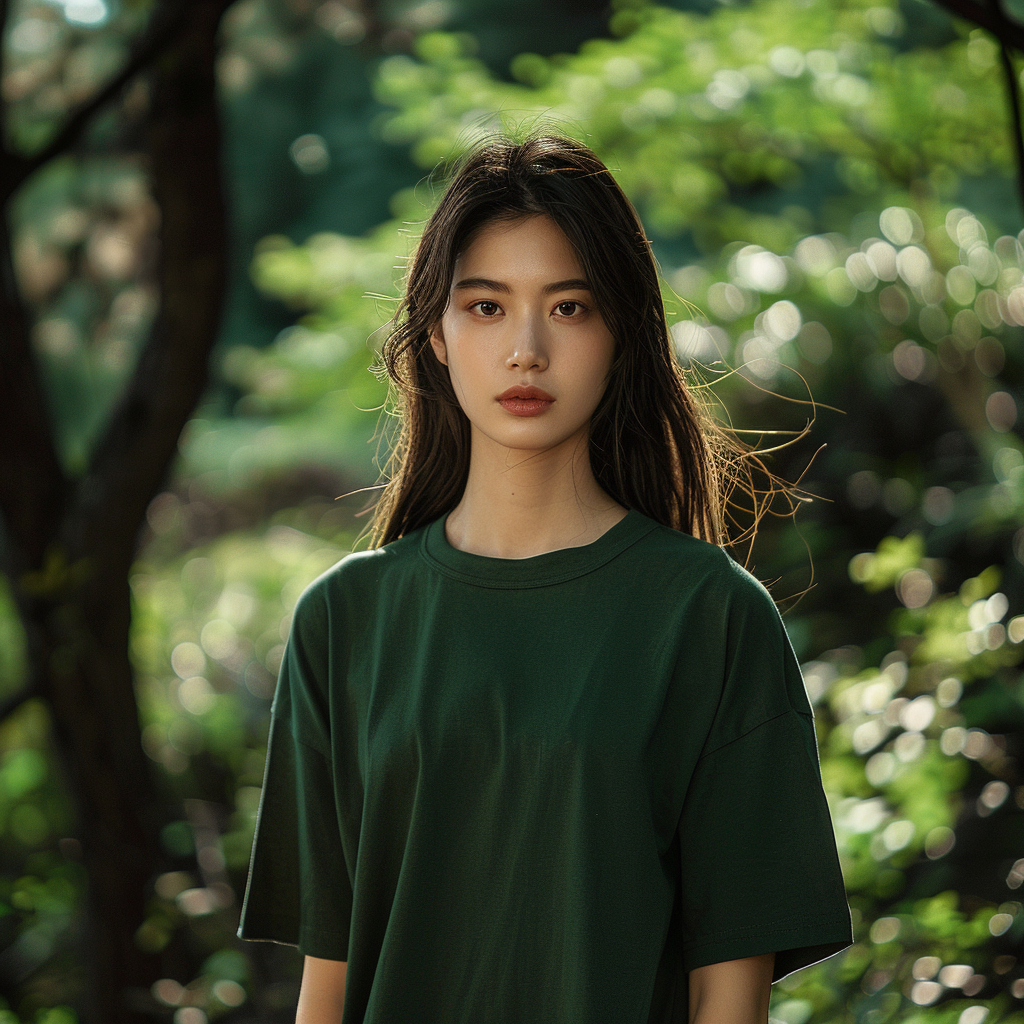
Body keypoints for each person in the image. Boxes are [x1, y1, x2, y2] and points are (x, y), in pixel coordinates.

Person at [236, 129, 854, 1024]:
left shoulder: (710, 616)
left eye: (569, 308)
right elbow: (327, 985)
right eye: (486, 307)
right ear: (436, 336)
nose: (526, 349)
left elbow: (729, 991)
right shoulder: (342, 621)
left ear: (621, 336)